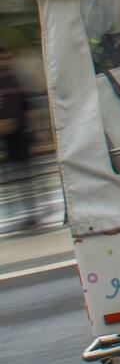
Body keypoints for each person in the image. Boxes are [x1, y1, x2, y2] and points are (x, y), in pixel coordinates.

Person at [0, 48, 41, 230]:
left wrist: (34, 130)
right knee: (17, 174)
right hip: (8, 135)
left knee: (24, 173)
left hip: (20, 133)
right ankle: (25, 212)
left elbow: (27, 106)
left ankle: (30, 212)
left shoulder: (14, 79)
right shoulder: (8, 80)